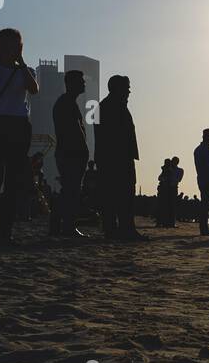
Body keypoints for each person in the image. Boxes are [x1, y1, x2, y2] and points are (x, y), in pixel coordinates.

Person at [0, 27, 38, 244]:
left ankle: (6, 232)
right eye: (7, 45)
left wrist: (21, 63)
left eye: (16, 46)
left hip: (18, 126)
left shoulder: (26, 71)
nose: (11, 50)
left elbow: (34, 88)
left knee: (12, 181)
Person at [97, 75, 144, 240]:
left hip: (111, 158)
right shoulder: (112, 107)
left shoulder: (103, 106)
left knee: (112, 195)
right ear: (118, 88)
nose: (129, 91)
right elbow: (108, 135)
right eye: (127, 87)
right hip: (118, 158)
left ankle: (112, 229)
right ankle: (125, 229)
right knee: (123, 194)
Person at [52, 69, 90, 237]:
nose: (84, 83)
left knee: (70, 190)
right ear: (71, 83)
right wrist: (82, 150)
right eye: (81, 81)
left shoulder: (67, 102)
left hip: (71, 153)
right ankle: (66, 226)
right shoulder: (66, 103)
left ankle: (60, 226)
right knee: (70, 191)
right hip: (70, 153)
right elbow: (72, 131)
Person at [194, 128, 209, 236]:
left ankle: (203, 227)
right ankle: (203, 228)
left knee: (206, 204)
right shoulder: (203, 150)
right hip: (207, 181)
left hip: (206, 180)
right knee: (206, 204)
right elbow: (207, 167)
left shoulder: (201, 149)